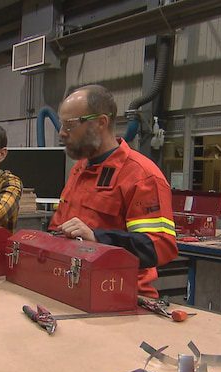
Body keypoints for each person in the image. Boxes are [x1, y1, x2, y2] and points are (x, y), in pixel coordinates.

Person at [49, 84, 178, 298]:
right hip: (76, 287)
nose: (62, 133)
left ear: (101, 122)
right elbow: (59, 228)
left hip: (121, 296)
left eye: (70, 125)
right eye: (62, 125)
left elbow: (161, 246)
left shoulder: (141, 175)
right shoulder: (80, 169)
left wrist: (98, 238)